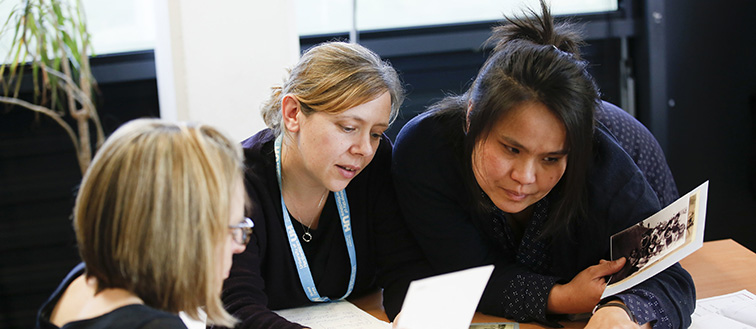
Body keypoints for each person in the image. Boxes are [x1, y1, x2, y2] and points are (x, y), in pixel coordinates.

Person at [391, 2, 695, 328]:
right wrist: (561, 296)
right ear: (470, 117)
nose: (524, 177)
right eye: (511, 149)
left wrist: (622, 312)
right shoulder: (426, 150)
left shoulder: (607, 163)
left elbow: (669, 278)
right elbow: (466, 276)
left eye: (552, 159)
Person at [220, 41, 430, 328]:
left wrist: (412, 314)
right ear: (293, 113)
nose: (365, 149)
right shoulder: (235, 181)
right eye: (348, 128)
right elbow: (233, 311)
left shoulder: (376, 165)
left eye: (376, 133)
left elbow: (403, 267)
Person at [35, 119, 250, 329]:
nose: (240, 246)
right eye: (233, 230)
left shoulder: (79, 282)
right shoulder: (153, 325)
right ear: (183, 234)